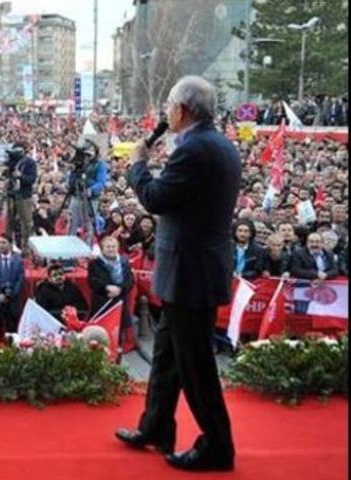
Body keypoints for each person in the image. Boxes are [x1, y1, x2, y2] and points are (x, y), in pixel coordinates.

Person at [118, 76, 237, 471]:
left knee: (195, 365)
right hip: (191, 269)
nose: (165, 112)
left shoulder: (195, 151)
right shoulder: (214, 144)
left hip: (192, 273)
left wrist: (138, 165)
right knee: (167, 355)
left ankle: (218, 446)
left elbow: (155, 198)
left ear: (183, 110)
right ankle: (155, 426)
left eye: (168, 104)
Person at [88, 235, 135, 350]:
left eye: (113, 246)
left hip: (120, 301)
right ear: (102, 248)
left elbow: (130, 280)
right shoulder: (95, 263)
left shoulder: (125, 262)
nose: (111, 249)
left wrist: (119, 289)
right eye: (108, 247)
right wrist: (106, 287)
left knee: (118, 331)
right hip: (103, 301)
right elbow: (92, 281)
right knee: (102, 330)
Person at [6, 142, 37, 249]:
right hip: (11, 195)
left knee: (26, 223)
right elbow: (8, 176)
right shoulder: (12, 162)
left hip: (24, 196)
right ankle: (7, 245)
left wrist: (21, 176)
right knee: (9, 222)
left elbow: (32, 179)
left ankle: (26, 248)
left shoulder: (30, 163)